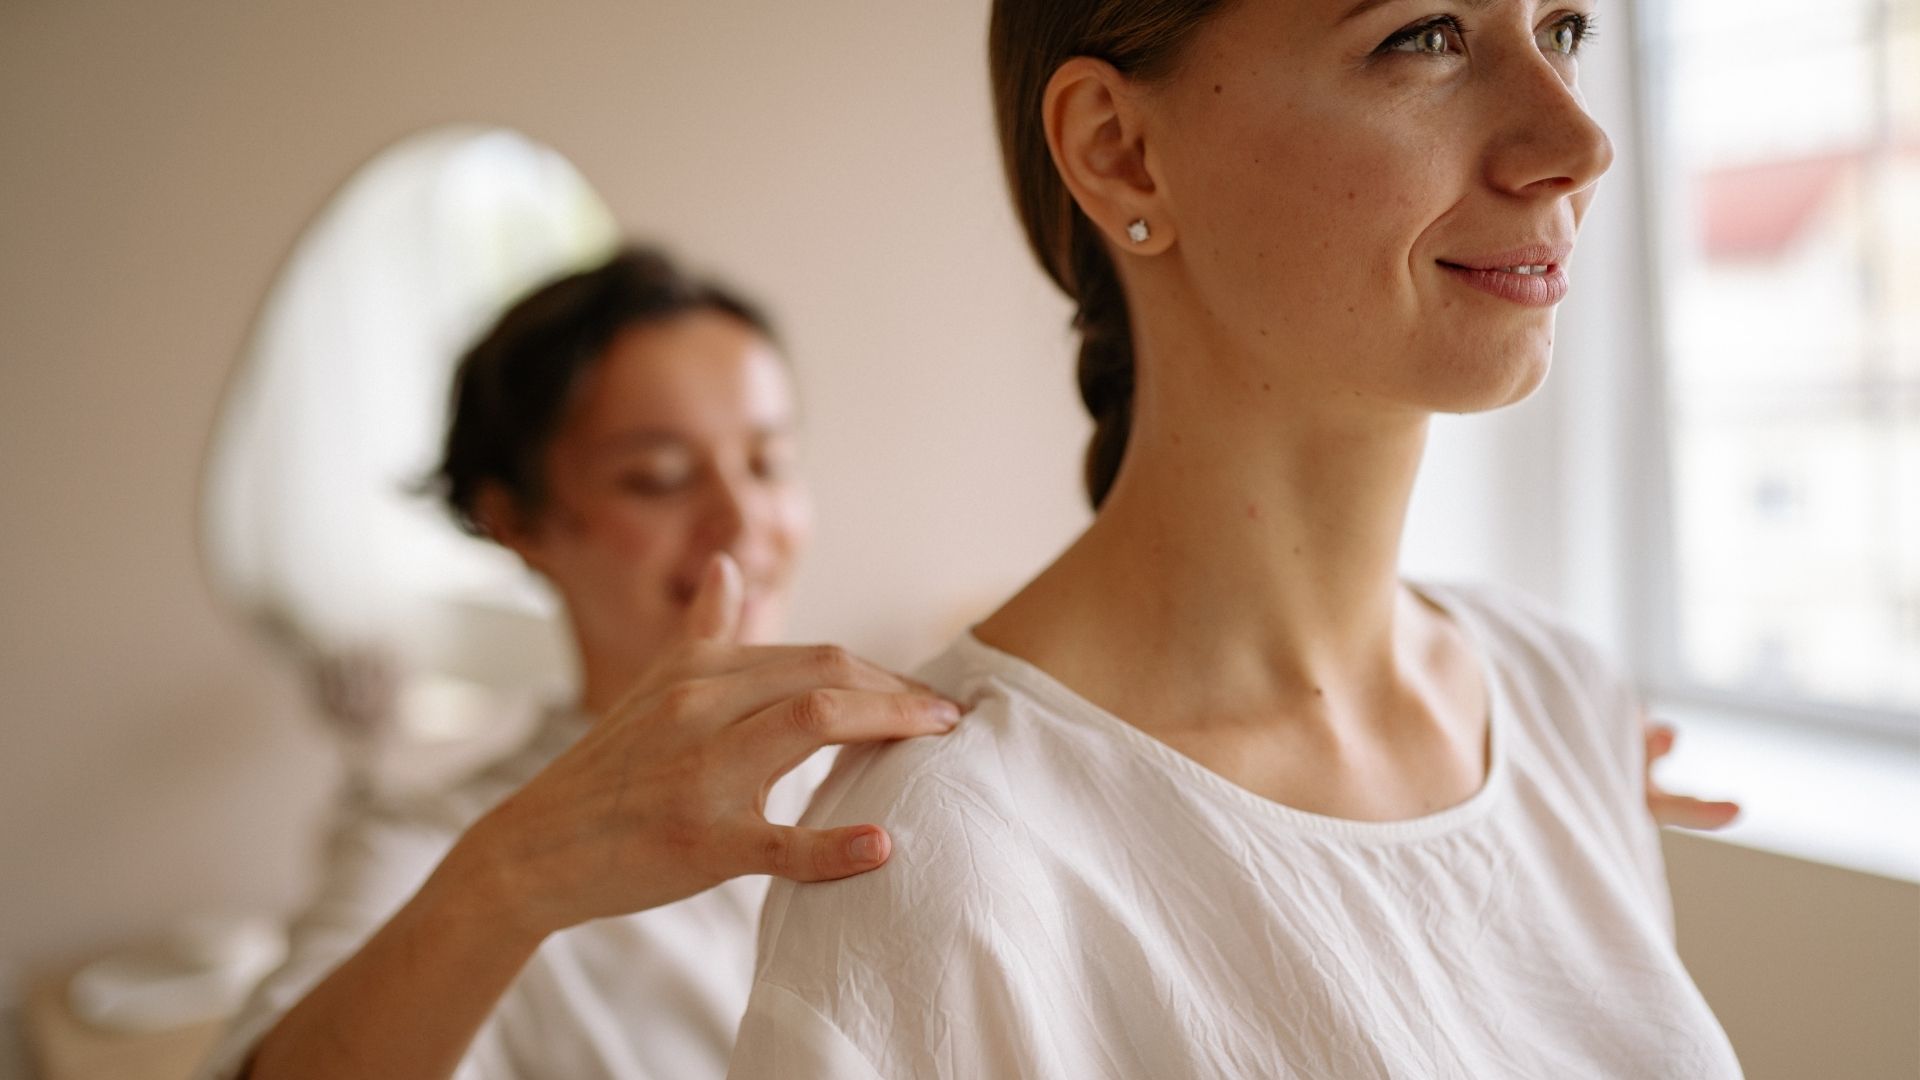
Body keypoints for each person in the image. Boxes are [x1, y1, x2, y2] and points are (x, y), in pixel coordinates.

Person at [728, 2, 1745, 1077]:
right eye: (1426, 37)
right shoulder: (941, 862)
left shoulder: (1559, 700)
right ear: (1119, 153)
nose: (1580, 146)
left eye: (1565, 30)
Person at [197, 248, 965, 1080]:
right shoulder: (430, 849)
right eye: (658, 477)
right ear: (516, 523)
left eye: (768, 462)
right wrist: (514, 881)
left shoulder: (909, 758)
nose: (740, 519)